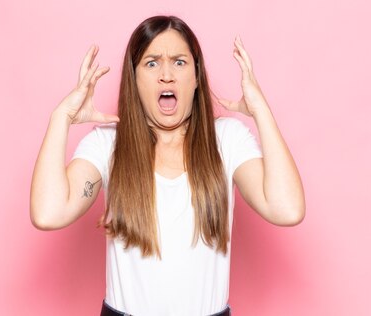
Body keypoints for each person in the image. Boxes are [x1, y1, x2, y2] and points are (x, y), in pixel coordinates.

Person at [30, 15, 305, 316]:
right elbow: (48, 213)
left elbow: (287, 209)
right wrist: (61, 118)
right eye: (151, 63)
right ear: (133, 79)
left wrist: (261, 111)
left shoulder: (227, 139)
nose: (166, 75)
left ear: (197, 76)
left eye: (179, 62)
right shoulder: (108, 144)